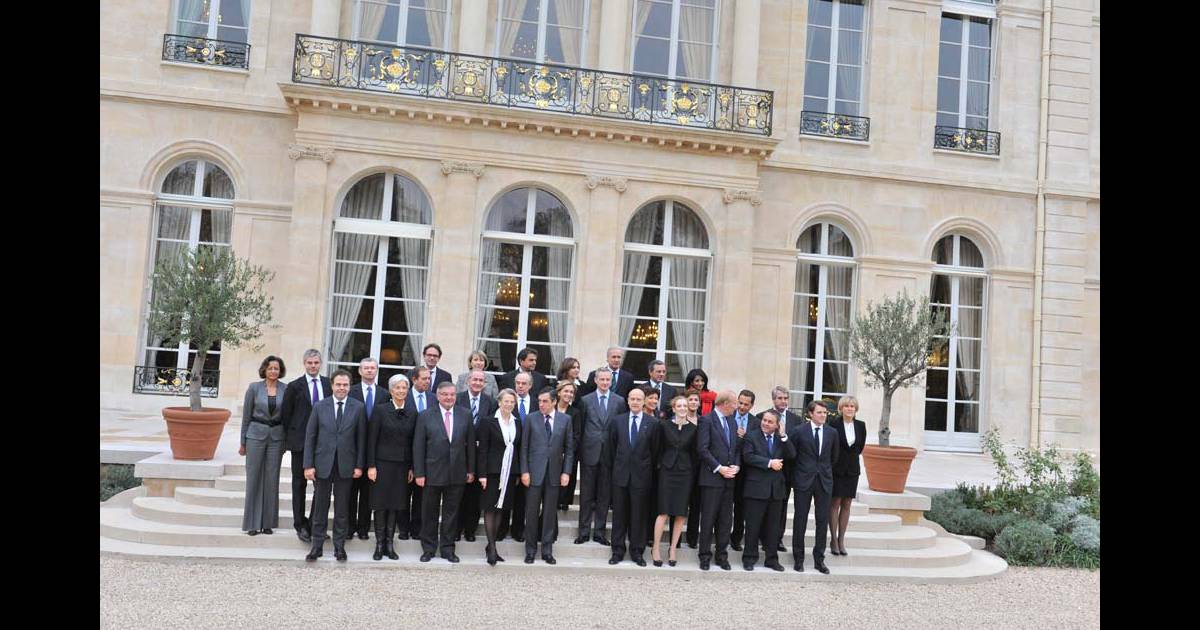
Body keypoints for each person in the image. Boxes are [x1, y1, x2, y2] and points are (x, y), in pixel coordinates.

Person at [303, 370, 367, 562]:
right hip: (323, 465)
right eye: (338, 384)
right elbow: (310, 437)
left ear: (350, 386)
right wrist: (308, 465)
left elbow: (361, 440)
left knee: (342, 510)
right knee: (320, 508)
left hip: (346, 466)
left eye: (345, 385)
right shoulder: (320, 406)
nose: (342, 388)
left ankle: (339, 547)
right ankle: (317, 546)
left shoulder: (358, 408)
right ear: (332, 386)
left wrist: (359, 466)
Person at [413, 381, 475, 563]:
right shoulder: (425, 415)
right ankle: (429, 548)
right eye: (445, 394)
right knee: (429, 512)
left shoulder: (465, 414)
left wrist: (471, 470)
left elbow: (470, 444)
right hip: (432, 472)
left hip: (457, 473)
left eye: (452, 395)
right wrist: (419, 473)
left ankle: (448, 549)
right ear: (438, 396)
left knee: (451, 513)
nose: (449, 398)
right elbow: (418, 446)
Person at [280, 348, 331, 544]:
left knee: (322, 486)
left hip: (324, 444)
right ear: (304, 364)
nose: (313, 366)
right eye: (310, 363)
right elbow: (286, 415)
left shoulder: (328, 384)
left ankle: (315, 524)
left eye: (316, 363)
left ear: (320, 364)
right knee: (299, 484)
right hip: (300, 444)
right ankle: (300, 524)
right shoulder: (294, 386)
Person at [520, 387, 575, 564]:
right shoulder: (531, 418)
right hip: (534, 473)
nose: (541, 404)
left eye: (545, 401)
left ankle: (547, 550)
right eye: (539, 401)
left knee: (550, 514)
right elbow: (524, 448)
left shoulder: (565, 420)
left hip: (554, 474)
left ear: (553, 401)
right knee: (531, 512)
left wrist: (566, 472)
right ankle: (530, 550)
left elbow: (569, 449)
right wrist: (524, 471)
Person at [367, 374, 417, 561]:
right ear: (390, 390)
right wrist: (371, 465)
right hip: (381, 463)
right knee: (380, 504)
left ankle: (390, 543)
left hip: (402, 466)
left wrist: (412, 467)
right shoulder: (380, 410)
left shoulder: (412, 412)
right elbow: (371, 440)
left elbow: (414, 442)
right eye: (398, 388)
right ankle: (379, 544)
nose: (401, 391)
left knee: (396, 504)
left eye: (404, 388)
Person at [606, 387, 657, 567]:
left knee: (639, 516)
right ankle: (617, 551)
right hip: (620, 476)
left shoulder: (652, 423)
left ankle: (637, 551)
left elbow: (655, 452)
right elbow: (611, 449)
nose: (635, 402)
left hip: (641, 478)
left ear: (644, 402)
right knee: (619, 515)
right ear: (627, 401)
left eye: (638, 399)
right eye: (632, 399)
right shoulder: (617, 421)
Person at [575, 367, 626, 545]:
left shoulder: (619, 401)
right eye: (602, 379)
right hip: (590, 451)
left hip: (609, 453)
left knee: (604, 495)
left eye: (607, 380)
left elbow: (620, 428)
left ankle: (599, 532)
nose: (605, 383)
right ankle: (583, 531)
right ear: (595, 380)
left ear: (611, 381)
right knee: (586, 495)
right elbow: (580, 428)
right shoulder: (585, 400)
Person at [740, 409, 793, 572]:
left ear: (777, 425)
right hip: (756, 488)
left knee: (773, 527)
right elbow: (748, 457)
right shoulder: (751, 436)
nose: (765, 423)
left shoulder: (780, 439)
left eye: (770, 422)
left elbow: (792, 455)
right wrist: (770, 463)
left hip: (776, 490)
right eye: (764, 420)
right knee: (753, 526)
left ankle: (771, 559)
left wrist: (784, 436)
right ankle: (749, 558)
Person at [240, 355, 287, 536]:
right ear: (264, 370)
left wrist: (286, 440)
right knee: (254, 479)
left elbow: (287, 416)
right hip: (255, 435)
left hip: (276, 437)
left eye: (276, 368)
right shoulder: (254, 388)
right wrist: (243, 441)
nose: (273, 371)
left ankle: (267, 523)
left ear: (280, 370)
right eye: (270, 368)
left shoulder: (286, 389)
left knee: (271, 479)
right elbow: (246, 416)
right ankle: (252, 523)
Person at [791, 400, 839, 574]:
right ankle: (798, 558)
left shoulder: (832, 433)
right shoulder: (798, 431)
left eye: (825, 413)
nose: (823, 415)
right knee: (800, 519)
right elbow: (792, 456)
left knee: (822, 521)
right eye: (819, 412)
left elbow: (834, 457)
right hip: (803, 480)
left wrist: (824, 473)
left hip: (824, 481)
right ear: (810, 414)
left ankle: (819, 559)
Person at [755, 386, 804, 553]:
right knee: (762, 507)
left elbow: (796, 448)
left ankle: (777, 539)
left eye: (785, 398)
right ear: (773, 400)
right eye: (780, 398)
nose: (783, 401)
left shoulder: (796, 420)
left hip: (786, 472)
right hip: (764, 472)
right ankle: (761, 537)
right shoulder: (761, 417)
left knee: (781, 508)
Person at [477, 389, 523, 565]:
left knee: (502, 510)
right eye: (506, 401)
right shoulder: (488, 421)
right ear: (499, 402)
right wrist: (482, 474)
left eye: (512, 402)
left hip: (509, 473)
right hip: (491, 472)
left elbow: (518, 449)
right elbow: (483, 450)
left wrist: (517, 473)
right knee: (490, 509)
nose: (509, 404)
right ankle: (492, 548)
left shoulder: (517, 423)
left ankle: (492, 546)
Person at [696, 390, 740, 571]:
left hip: (729, 479)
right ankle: (704, 555)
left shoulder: (732, 420)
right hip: (712, 478)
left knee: (725, 520)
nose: (737, 407)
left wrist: (736, 465)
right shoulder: (706, 420)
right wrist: (719, 468)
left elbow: (736, 448)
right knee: (708, 519)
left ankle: (722, 555)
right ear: (724, 403)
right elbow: (702, 449)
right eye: (734, 403)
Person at [651, 396, 696, 567]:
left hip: (685, 474)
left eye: (685, 405)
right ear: (674, 408)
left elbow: (694, 454)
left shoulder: (693, 429)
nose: (683, 408)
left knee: (680, 513)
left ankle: (672, 549)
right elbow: (657, 448)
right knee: (663, 512)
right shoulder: (663, 425)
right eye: (680, 405)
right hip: (667, 472)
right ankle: (655, 548)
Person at [347, 357, 389, 541]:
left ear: (377, 371)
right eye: (366, 368)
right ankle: (349, 526)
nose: (370, 371)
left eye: (373, 368)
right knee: (350, 491)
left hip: (375, 449)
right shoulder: (351, 391)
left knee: (367, 492)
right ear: (360, 371)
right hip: (353, 447)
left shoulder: (384, 393)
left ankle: (363, 527)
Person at [455, 370, 498, 542]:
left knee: (474, 496)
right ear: (468, 381)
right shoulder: (457, 398)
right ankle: (456, 529)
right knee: (458, 494)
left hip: (480, 454)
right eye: (475, 379)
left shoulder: (490, 402)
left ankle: (470, 530)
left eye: (481, 380)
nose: (478, 383)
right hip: (459, 452)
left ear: (485, 384)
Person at [829, 396, 867, 557]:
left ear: (855, 409)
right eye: (846, 406)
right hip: (837, 469)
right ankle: (833, 540)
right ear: (841, 408)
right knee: (835, 502)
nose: (849, 409)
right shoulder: (834, 425)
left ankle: (841, 539)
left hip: (852, 470)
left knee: (847, 503)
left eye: (852, 406)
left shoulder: (860, 425)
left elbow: (860, 447)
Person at [502, 371, 535, 543]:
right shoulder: (507, 402)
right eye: (517, 383)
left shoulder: (537, 403)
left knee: (523, 497)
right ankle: (501, 529)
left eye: (524, 383)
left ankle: (518, 530)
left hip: (529, 457)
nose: (520, 386)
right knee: (506, 493)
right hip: (508, 456)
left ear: (530, 385)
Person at [403, 366, 434, 537]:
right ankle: (403, 528)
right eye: (424, 379)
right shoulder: (404, 396)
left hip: (426, 454)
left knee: (422, 495)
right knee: (404, 493)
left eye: (428, 379)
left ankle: (417, 528)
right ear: (414, 380)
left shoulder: (434, 398)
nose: (427, 382)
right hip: (405, 452)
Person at [555, 358, 585, 512]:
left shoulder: (575, 412)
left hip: (568, 452)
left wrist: (567, 450)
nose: (568, 394)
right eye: (565, 391)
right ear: (558, 392)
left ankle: (564, 501)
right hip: (551, 452)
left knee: (568, 476)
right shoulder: (550, 409)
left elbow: (576, 435)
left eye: (571, 392)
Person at [729, 389, 756, 551]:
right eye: (740, 403)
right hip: (727, 467)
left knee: (741, 507)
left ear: (751, 406)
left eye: (746, 404)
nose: (742, 407)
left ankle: (736, 538)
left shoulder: (755, 422)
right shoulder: (727, 416)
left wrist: (745, 436)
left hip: (746, 471)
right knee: (725, 506)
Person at [681, 388, 703, 548]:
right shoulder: (679, 420)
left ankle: (692, 537)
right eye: (691, 400)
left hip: (699, 468)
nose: (693, 402)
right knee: (681, 503)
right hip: (682, 468)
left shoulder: (704, 421)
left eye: (696, 400)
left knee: (696, 504)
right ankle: (677, 538)